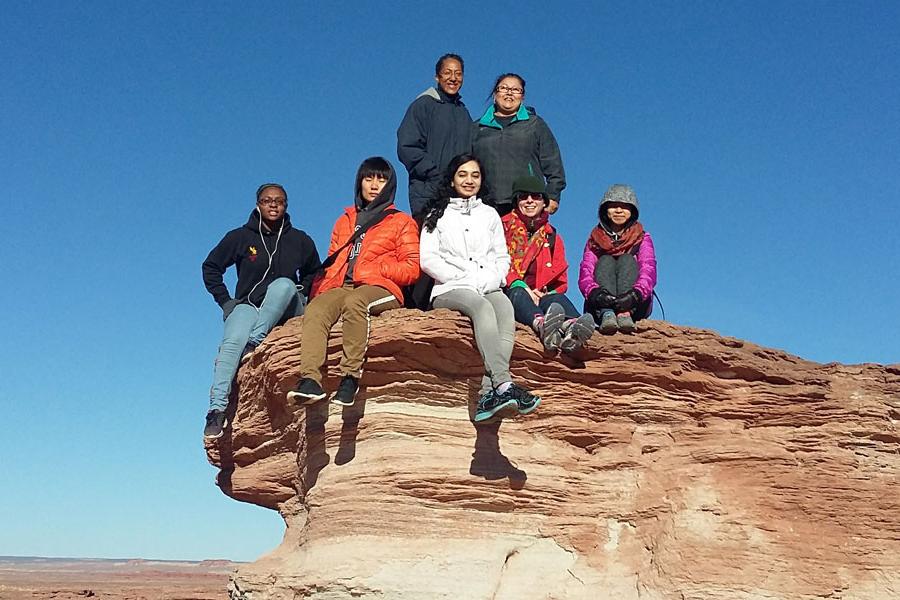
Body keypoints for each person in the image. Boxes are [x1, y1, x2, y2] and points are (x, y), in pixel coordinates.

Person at [286, 157, 419, 407]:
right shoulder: (344, 220)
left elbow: (412, 268)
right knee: (316, 309)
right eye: (369, 178)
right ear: (359, 182)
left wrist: (373, 269)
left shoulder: (401, 221)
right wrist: (323, 289)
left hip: (381, 286)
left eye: (381, 179)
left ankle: (349, 378)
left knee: (356, 303)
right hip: (343, 286)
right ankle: (310, 380)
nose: (374, 185)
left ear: (390, 185)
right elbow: (333, 260)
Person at [420, 153, 541, 423]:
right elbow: (428, 259)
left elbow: (502, 256)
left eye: (475, 175)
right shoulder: (436, 214)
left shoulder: (489, 214)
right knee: (483, 309)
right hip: (451, 288)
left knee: (505, 310)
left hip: (487, 284)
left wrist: (493, 279)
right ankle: (503, 384)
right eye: (463, 174)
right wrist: (460, 276)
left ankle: (489, 393)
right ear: (452, 179)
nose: (469, 180)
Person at [202, 184, 321, 439]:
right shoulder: (240, 237)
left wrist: (305, 291)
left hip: (288, 308)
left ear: (286, 205)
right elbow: (211, 266)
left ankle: (254, 342)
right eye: (267, 200)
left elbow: (316, 272)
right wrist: (226, 302)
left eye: (279, 200)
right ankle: (216, 409)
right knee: (232, 339)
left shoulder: (300, 240)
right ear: (258, 204)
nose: (273, 205)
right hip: (250, 305)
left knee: (283, 285)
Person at [503, 175, 595, 353]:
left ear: (543, 201)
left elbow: (561, 280)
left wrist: (545, 292)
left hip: (539, 294)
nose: (529, 201)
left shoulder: (552, 237)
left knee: (556, 298)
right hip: (509, 290)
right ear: (516, 201)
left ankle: (572, 328)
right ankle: (543, 325)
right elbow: (496, 263)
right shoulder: (501, 227)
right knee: (518, 292)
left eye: (536, 196)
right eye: (523, 196)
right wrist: (522, 286)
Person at [473, 73, 565, 216]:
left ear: (523, 96)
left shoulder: (535, 124)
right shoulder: (477, 128)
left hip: (526, 203)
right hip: (485, 205)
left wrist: (553, 196)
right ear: (494, 94)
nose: (509, 93)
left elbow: (554, 164)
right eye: (503, 88)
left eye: (516, 90)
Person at [397, 53, 474, 219]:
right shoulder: (423, 105)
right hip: (428, 193)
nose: (453, 78)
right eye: (447, 72)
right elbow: (407, 146)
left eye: (458, 73)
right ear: (437, 77)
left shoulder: (464, 114)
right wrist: (434, 174)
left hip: (459, 195)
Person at [579, 184, 657, 334]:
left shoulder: (642, 237)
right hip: (600, 304)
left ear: (632, 211)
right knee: (606, 261)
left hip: (635, 303)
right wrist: (595, 294)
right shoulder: (595, 239)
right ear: (605, 210)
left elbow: (648, 269)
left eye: (624, 206)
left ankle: (624, 314)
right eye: (613, 206)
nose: (619, 211)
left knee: (626, 259)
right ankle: (607, 313)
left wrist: (635, 295)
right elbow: (586, 271)